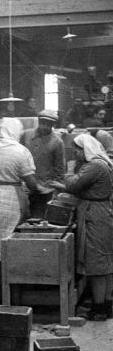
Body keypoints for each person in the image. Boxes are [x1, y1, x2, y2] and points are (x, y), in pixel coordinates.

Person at [0, 117, 52, 304]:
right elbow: (31, 182)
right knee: (2, 251)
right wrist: (40, 189)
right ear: (15, 131)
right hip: (10, 199)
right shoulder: (20, 151)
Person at [49, 134, 113, 321]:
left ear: (85, 148)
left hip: (95, 215)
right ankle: (107, 303)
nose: (75, 152)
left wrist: (67, 172)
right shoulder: (103, 162)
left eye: (77, 149)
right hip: (103, 211)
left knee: (96, 263)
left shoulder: (93, 165)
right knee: (107, 262)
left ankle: (99, 309)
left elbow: (74, 184)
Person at [21, 109, 66, 218]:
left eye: (48, 125)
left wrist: (56, 190)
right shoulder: (26, 135)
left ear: (53, 125)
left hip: (45, 189)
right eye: (42, 123)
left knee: (39, 219)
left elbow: (60, 168)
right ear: (38, 121)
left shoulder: (57, 142)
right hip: (25, 186)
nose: (44, 127)